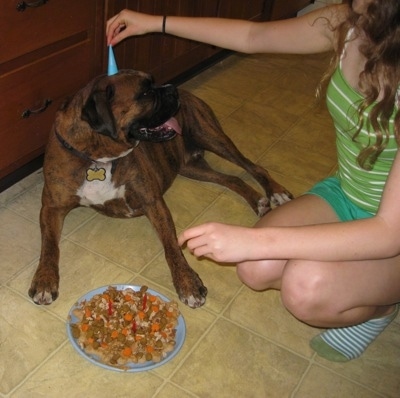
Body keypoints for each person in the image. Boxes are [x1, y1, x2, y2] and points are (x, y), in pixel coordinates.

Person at [107, 0, 400, 362]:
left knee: (305, 288)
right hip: (348, 192)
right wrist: (154, 22)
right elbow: (253, 34)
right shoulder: (350, 20)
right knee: (256, 267)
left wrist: (254, 238)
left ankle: (383, 308)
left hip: (392, 227)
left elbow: (388, 232)